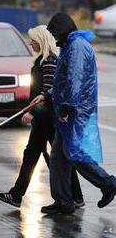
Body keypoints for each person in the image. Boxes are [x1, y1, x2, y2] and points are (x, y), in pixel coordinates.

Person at [32, 13, 116, 214]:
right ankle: (63, 201)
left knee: (73, 152)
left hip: (75, 110)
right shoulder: (70, 45)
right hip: (67, 107)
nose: (54, 38)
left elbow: (75, 79)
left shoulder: (77, 47)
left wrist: (68, 108)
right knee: (59, 156)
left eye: (54, 34)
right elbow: (62, 81)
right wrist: (47, 95)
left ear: (62, 31)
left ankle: (108, 183)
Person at [0, 25, 84, 208]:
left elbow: (47, 92)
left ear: (41, 41)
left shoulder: (49, 61)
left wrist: (30, 111)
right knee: (37, 155)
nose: (30, 42)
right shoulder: (43, 61)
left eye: (33, 39)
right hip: (43, 119)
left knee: (56, 158)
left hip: (48, 118)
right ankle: (73, 196)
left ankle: (76, 195)